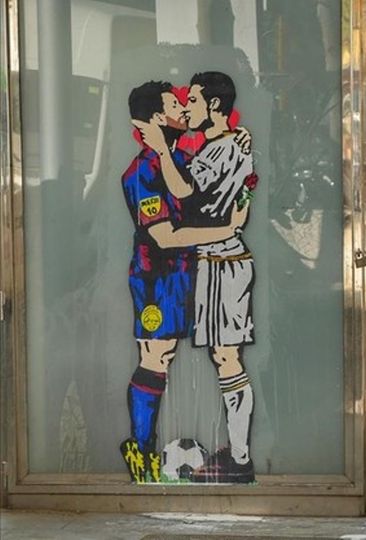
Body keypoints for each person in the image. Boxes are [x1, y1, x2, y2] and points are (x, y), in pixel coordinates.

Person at [120, 81, 247, 483]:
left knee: (221, 354)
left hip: (198, 271)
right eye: (176, 104)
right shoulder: (141, 172)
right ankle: (141, 452)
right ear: (157, 119)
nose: (183, 110)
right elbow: (164, 236)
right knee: (157, 356)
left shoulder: (183, 159)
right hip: (158, 279)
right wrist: (227, 229)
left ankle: (235, 451)